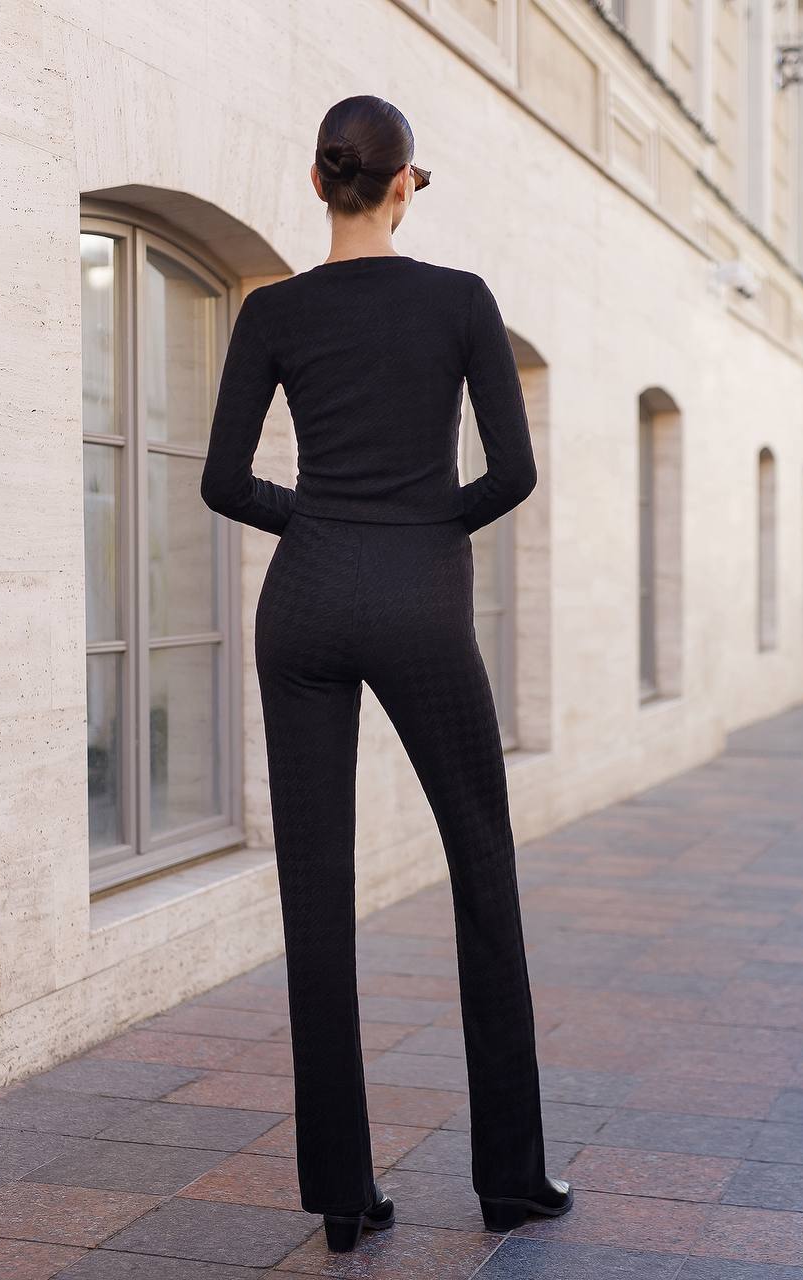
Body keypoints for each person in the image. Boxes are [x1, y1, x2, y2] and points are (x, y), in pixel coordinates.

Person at [200, 94, 572, 1254]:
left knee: (315, 897)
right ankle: (510, 1177)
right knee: (482, 869)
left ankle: (343, 1199)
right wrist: (420, 524)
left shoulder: (271, 310)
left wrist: (321, 521)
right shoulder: (461, 301)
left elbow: (222, 481)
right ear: (404, 184)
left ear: (320, 184)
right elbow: (511, 472)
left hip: (303, 604)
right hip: (420, 602)